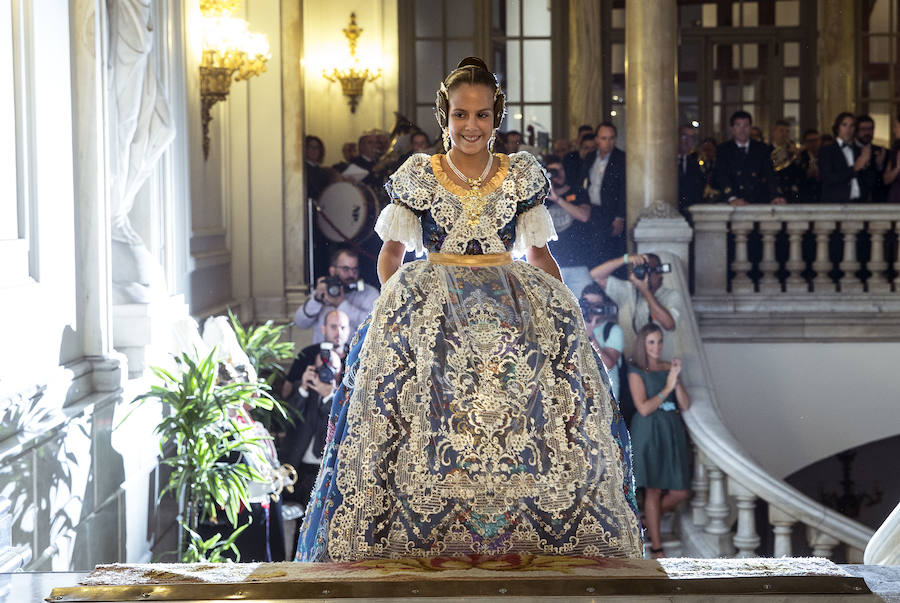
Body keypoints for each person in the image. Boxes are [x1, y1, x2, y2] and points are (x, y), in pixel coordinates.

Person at [296, 56, 642, 561]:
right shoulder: (420, 173)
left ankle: (525, 529)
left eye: (481, 115)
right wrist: (401, 313)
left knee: (520, 417)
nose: (471, 125)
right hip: (434, 303)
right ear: (445, 115)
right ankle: (422, 529)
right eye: (461, 114)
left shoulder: (520, 174)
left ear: (495, 117)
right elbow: (391, 256)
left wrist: (566, 315)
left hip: (508, 306)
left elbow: (541, 256)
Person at [627, 323, 691, 559]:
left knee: (679, 491)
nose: (657, 346)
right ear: (643, 343)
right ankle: (657, 548)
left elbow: (685, 404)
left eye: (660, 341)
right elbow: (643, 408)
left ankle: (645, 520)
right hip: (649, 430)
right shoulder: (636, 371)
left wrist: (676, 379)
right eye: (651, 342)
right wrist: (667, 387)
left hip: (671, 429)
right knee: (653, 490)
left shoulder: (669, 368)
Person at [589, 253, 682, 363]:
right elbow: (595, 276)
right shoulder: (629, 290)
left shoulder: (671, 296)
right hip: (632, 364)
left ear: (659, 272)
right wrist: (626, 259)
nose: (645, 274)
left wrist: (645, 290)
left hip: (660, 364)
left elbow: (669, 324)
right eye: (642, 269)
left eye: (649, 270)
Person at [294, 247, 379, 344]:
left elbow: (374, 325)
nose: (351, 274)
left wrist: (341, 304)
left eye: (354, 270)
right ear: (332, 271)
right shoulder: (325, 290)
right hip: (323, 356)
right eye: (345, 269)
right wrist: (316, 300)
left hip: (355, 357)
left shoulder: (369, 293)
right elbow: (300, 323)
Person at [542, 154, 593, 297]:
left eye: (561, 170)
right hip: (551, 265)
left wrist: (558, 199)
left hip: (577, 262)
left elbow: (584, 216)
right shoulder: (540, 197)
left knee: (583, 309)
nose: (559, 175)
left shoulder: (577, 191)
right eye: (554, 171)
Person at [579, 122, 627, 265]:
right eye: (604, 138)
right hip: (592, 210)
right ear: (597, 140)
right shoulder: (590, 157)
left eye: (611, 138)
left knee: (608, 251)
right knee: (591, 251)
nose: (608, 142)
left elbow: (624, 190)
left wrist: (619, 217)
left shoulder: (621, 158)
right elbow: (583, 182)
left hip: (610, 212)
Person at [714, 111, 785, 206]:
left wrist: (776, 195)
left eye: (746, 125)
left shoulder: (762, 148)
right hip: (733, 201)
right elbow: (722, 176)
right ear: (732, 129)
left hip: (758, 202)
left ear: (750, 128)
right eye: (738, 125)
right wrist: (731, 198)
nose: (742, 130)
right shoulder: (723, 149)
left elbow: (769, 174)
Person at [819, 112, 870, 203]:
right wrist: (854, 168)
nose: (848, 129)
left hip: (859, 203)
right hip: (835, 204)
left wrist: (868, 164)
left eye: (852, 126)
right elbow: (828, 178)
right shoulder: (827, 150)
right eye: (844, 125)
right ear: (837, 127)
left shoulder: (859, 150)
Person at [855, 114, 888, 202]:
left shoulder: (882, 151)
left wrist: (879, 166)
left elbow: (885, 182)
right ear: (856, 131)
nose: (867, 133)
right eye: (863, 129)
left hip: (877, 200)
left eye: (870, 129)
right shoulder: (849, 150)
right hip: (854, 201)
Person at [677, 125, 705, 220]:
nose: (688, 141)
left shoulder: (695, 164)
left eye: (691, 137)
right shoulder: (667, 163)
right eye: (684, 136)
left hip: (689, 216)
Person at [884, 114, 900, 203]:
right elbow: (886, 180)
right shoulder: (896, 149)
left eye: (896, 126)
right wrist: (897, 168)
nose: (894, 130)